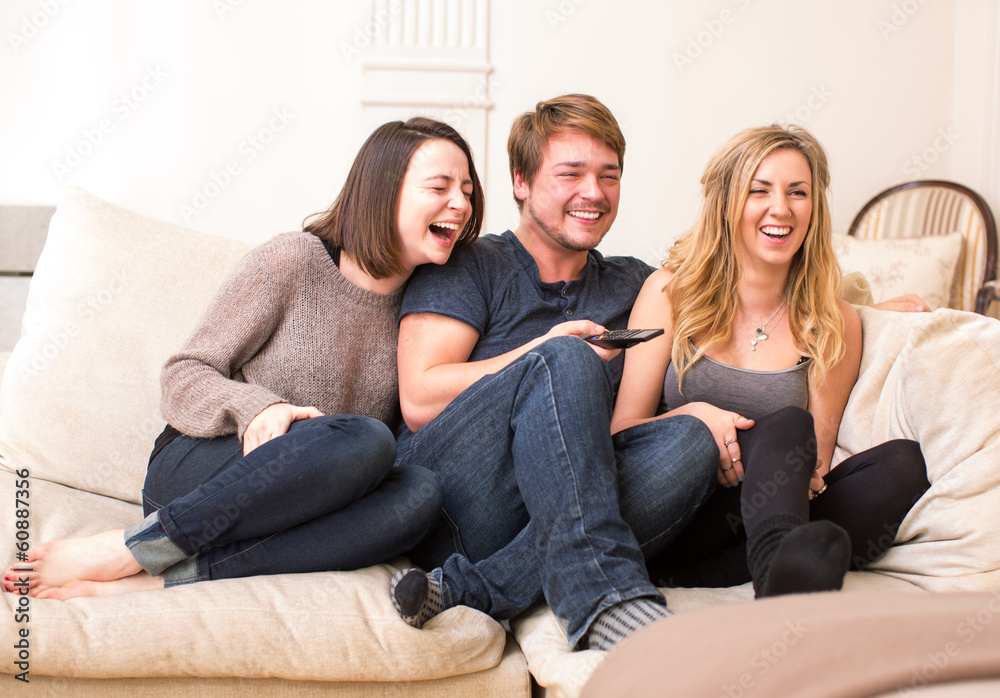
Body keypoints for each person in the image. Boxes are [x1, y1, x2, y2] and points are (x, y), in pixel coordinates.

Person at [5, 117, 485, 600]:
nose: (461, 204)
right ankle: (134, 547)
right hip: (207, 472)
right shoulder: (294, 260)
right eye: (439, 187)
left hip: (305, 503)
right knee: (366, 438)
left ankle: (163, 576)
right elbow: (183, 374)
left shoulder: (430, 313)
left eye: (467, 189)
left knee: (420, 494)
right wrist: (258, 407)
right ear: (383, 192)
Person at [387, 94, 720, 651]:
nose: (593, 193)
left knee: (693, 438)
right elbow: (419, 399)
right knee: (564, 357)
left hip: (555, 514)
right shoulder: (470, 264)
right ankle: (605, 600)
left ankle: (478, 591)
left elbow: (746, 300)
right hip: (456, 504)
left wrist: (852, 301)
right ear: (520, 181)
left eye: (608, 176)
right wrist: (542, 350)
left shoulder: (634, 285)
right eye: (571, 173)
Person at [611, 124, 930, 596]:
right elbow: (621, 432)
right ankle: (773, 566)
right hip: (674, 508)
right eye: (759, 190)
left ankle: (771, 571)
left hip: (764, 504)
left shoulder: (833, 320)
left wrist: (767, 466)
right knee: (786, 427)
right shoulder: (669, 292)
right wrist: (697, 420)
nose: (780, 208)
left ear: (814, 209)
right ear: (725, 203)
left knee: (903, 464)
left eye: (797, 192)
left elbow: (815, 464)